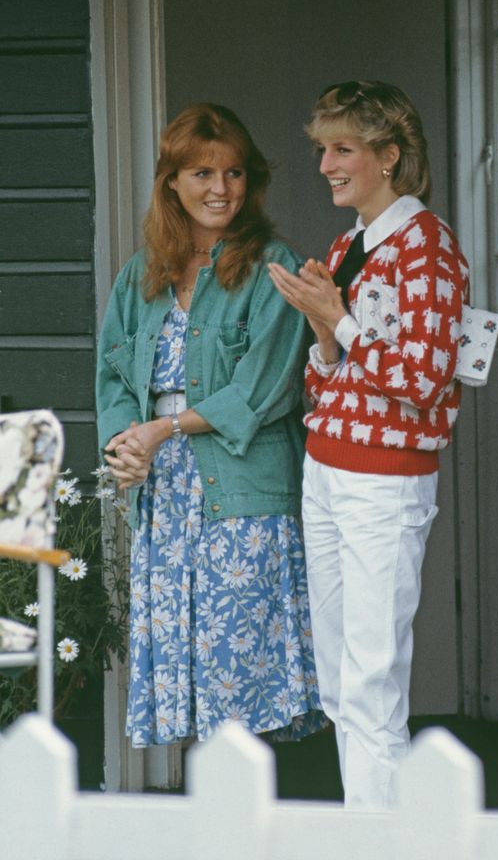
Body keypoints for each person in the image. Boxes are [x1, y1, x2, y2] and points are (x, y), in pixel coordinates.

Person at [96, 102, 325, 747]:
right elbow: (115, 374)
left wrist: (160, 433)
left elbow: (264, 387)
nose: (220, 189)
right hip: (162, 495)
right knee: (186, 672)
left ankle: (247, 828)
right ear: (172, 181)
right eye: (201, 173)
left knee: (239, 672)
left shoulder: (269, 266)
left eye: (233, 173)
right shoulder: (141, 274)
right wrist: (124, 446)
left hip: (242, 494)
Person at [268, 80, 469, 809]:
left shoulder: (428, 247)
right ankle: (366, 826)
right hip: (327, 470)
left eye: (343, 148)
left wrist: (340, 322)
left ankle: (382, 839)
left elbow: (421, 378)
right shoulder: (350, 244)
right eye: (322, 148)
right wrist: (325, 334)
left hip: (385, 482)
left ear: (388, 156)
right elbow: (332, 384)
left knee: (372, 673)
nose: (326, 164)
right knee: (338, 674)